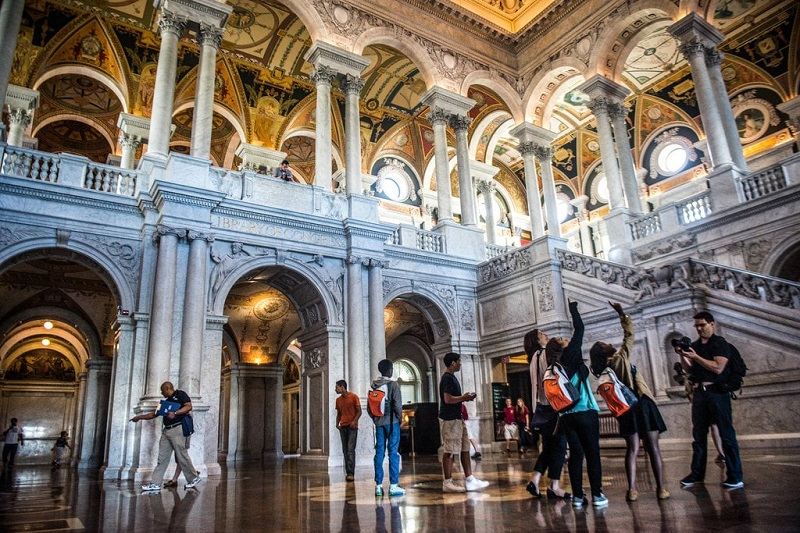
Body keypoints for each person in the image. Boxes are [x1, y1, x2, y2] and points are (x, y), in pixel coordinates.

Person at [589, 302, 670, 502]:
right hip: (642, 404)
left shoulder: (602, 371)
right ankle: (661, 488)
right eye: (604, 343)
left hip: (625, 410)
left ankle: (632, 490)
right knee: (653, 448)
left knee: (632, 449)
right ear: (604, 351)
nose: (608, 343)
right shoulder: (620, 358)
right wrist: (622, 314)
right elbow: (630, 335)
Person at [548, 300, 607, 508]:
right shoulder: (571, 354)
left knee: (576, 455)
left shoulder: (553, 366)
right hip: (584, 411)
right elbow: (580, 328)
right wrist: (573, 308)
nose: (566, 339)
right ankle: (598, 495)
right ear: (561, 348)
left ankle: (579, 497)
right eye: (562, 339)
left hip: (567, 416)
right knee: (592, 454)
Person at [677, 311, 744, 490]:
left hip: (717, 393)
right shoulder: (695, 345)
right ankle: (697, 474)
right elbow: (690, 370)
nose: (699, 329)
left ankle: (735, 476)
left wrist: (696, 357)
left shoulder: (719, 344)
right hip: (700, 394)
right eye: (696, 326)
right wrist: (682, 355)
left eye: (702, 325)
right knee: (698, 437)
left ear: (712, 324)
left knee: (726, 435)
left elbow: (718, 368)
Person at [524, 327, 570, 500]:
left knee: (549, 446)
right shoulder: (545, 354)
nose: (545, 335)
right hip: (553, 407)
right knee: (559, 446)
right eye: (541, 335)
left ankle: (534, 479)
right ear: (537, 340)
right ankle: (554, 486)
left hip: (540, 409)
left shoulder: (532, 359)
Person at [130, 382, 201, 492]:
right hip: (166, 431)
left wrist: (176, 413)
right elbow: (154, 414)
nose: (161, 393)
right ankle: (155, 483)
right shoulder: (164, 403)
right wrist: (139, 417)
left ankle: (193, 478)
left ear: (168, 388)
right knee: (162, 458)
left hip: (177, 429)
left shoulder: (180, 394)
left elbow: (188, 406)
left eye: (162, 391)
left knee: (182, 454)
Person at [438, 352, 489, 493]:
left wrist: (464, 397)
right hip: (450, 419)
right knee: (449, 450)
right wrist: (464, 397)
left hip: (457, 418)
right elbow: (447, 399)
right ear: (453, 363)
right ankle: (447, 482)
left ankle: (470, 479)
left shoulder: (452, 378)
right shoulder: (447, 378)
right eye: (459, 361)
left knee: (465, 448)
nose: (460, 363)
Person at [370, 359, 405, 497]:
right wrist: (399, 418)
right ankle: (393, 485)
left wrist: (376, 419)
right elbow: (397, 405)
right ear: (390, 370)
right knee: (393, 453)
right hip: (392, 422)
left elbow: (369, 406)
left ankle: (378, 486)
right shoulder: (393, 385)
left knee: (379, 453)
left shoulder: (373, 385)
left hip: (379, 423)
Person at [335, 379, 362, 482]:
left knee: (350, 450)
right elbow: (339, 413)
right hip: (343, 427)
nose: (335, 389)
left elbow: (359, 411)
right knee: (345, 450)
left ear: (342, 387)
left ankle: (351, 473)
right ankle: (348, 472)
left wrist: (354, 421)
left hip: (352, 428)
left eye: (336, 387)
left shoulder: (354, 397)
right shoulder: (338, 400)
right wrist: (337, 423)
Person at [164, 411, 193, 487]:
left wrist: (188, 440)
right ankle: (175, 479)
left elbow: (189, 424)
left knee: (181, 458)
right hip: (175, 434)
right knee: (179, 458)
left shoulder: (186, 411)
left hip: (182, 434)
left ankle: (175, 479)